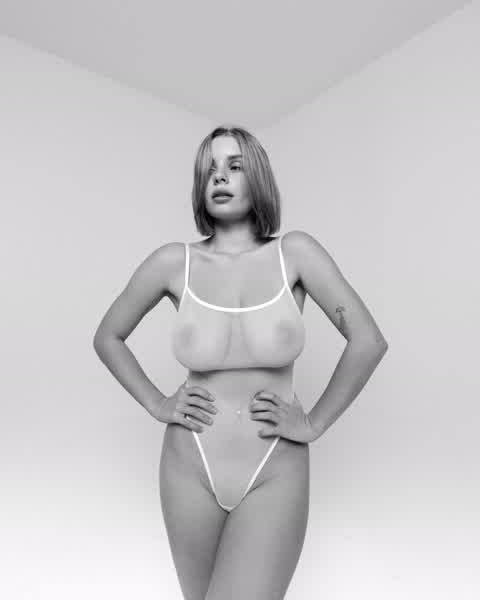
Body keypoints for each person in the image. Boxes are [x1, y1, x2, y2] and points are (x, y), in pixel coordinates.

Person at [93, 125, 388, 600]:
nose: (219, 177)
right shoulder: (173, 263)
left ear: (259, 177)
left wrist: (314, 423)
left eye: (234, 166)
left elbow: (367, 341)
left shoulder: (295, 254)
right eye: (209, 170)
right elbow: (108, 336)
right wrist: (157, 403)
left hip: (274, 464)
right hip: (189, 464)